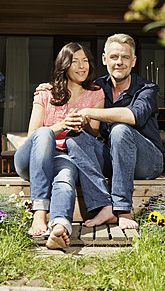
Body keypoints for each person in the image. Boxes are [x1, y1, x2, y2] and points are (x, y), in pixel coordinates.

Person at [36, 33, 164, 230]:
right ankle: (104, 205)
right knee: (74, 138)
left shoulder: (146, 89)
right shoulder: (97, 88)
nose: (119, 62)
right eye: (114, 57)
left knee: (121, 129)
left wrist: (88, 112)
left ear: (133, 61)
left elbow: (133, 116)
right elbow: (69, 85)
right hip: (114, 159)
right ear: (105, 59)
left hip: (147, 161)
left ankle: (122, 209)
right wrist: (49, 87)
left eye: (125, 57)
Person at [14, 42, 112, 250]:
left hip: (64, 157)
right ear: (64, 65)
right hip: (31, 159)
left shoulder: (96, 94)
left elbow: (93, 133)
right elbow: (34, 135)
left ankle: (59, 227)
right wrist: (61, 125)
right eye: (75, 61)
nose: (82, 66)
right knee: (43, 133)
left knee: (66, 177)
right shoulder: (45, 93)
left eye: (85, 61)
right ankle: (39, 214)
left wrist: (82, 124)